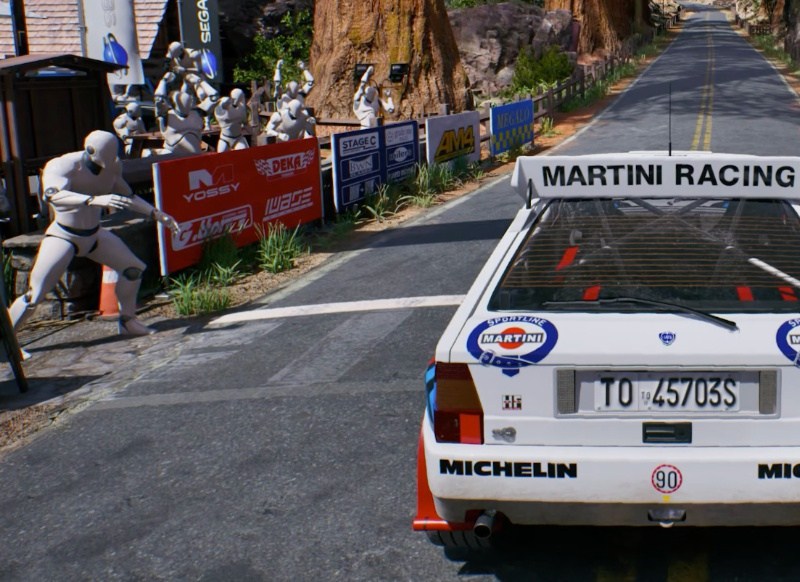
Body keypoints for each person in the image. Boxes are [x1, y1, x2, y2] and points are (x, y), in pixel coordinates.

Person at [8, 131, 181, 337]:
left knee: (133, 269)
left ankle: (128, 321)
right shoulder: (63, 165)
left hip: (94, 235)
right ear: (90, 150)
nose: (107, 163)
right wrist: (92, 200)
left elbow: (128, 196)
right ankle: (6, 340)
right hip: (64, 235)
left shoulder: (113, 166)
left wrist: (157, 214)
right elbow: (53, 195)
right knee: (35, 294)